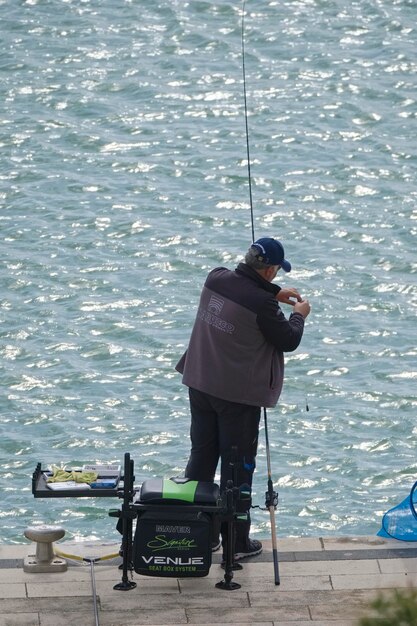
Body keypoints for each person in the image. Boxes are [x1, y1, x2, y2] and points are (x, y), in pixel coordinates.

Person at [176, 237, 311, 560]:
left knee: (202, 459)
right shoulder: (263, 305)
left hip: (200, 384)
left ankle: (203, 534)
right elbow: (287, 339)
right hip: (237, 397)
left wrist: (273, 293)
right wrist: (299, 314)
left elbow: (244, 292)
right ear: (270, 270)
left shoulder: (215, 278)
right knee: (238, 469)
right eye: (276, 273)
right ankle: (236, 542)